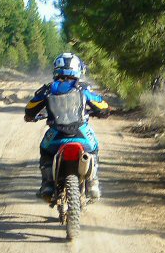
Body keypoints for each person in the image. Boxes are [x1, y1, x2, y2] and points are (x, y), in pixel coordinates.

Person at [24, 52, 110, 202]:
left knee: (45, 150)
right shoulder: (83, 89)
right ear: (78, 69)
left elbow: (30, 108)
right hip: (81, 133)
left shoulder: (48, 89)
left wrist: (31, 116)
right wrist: (100, 112)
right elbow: (103, 107)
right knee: (94, 147)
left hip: (56, 134)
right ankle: (93, 182)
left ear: (56, 69)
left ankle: (47, 184)